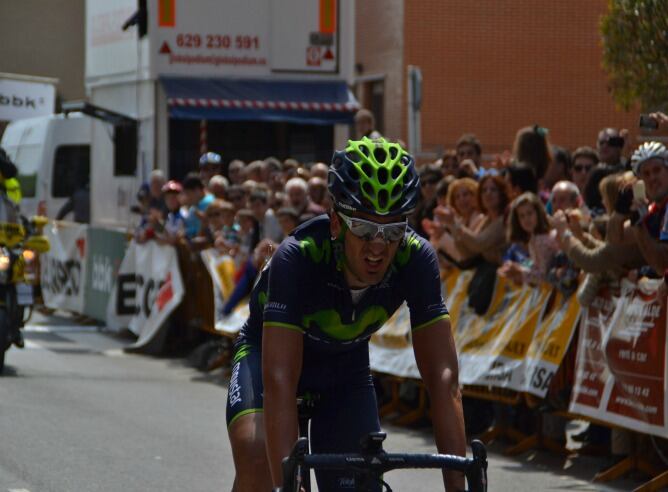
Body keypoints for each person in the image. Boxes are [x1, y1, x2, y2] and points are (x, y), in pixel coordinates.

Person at [226, 137, 466, 491]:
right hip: (268, 360)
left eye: (393, 230)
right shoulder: (297, 258)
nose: (379, 246)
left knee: (358, 482)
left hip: (344, 370)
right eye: (365, 229)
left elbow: (443, 380)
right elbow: (278, 382)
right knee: (259, 459)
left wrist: (459, 484)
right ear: (337, 223)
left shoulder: (416, 259)